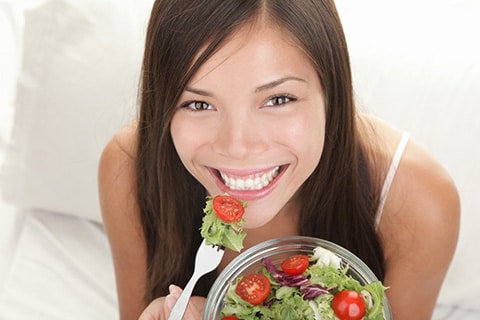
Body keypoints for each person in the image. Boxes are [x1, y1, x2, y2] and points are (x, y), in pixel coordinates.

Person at [98, 0, 460, 319]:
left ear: (332, 91)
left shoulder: (418, 201)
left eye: (278, 99)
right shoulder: (128, 167)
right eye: (199, 104)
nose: (238, 147)